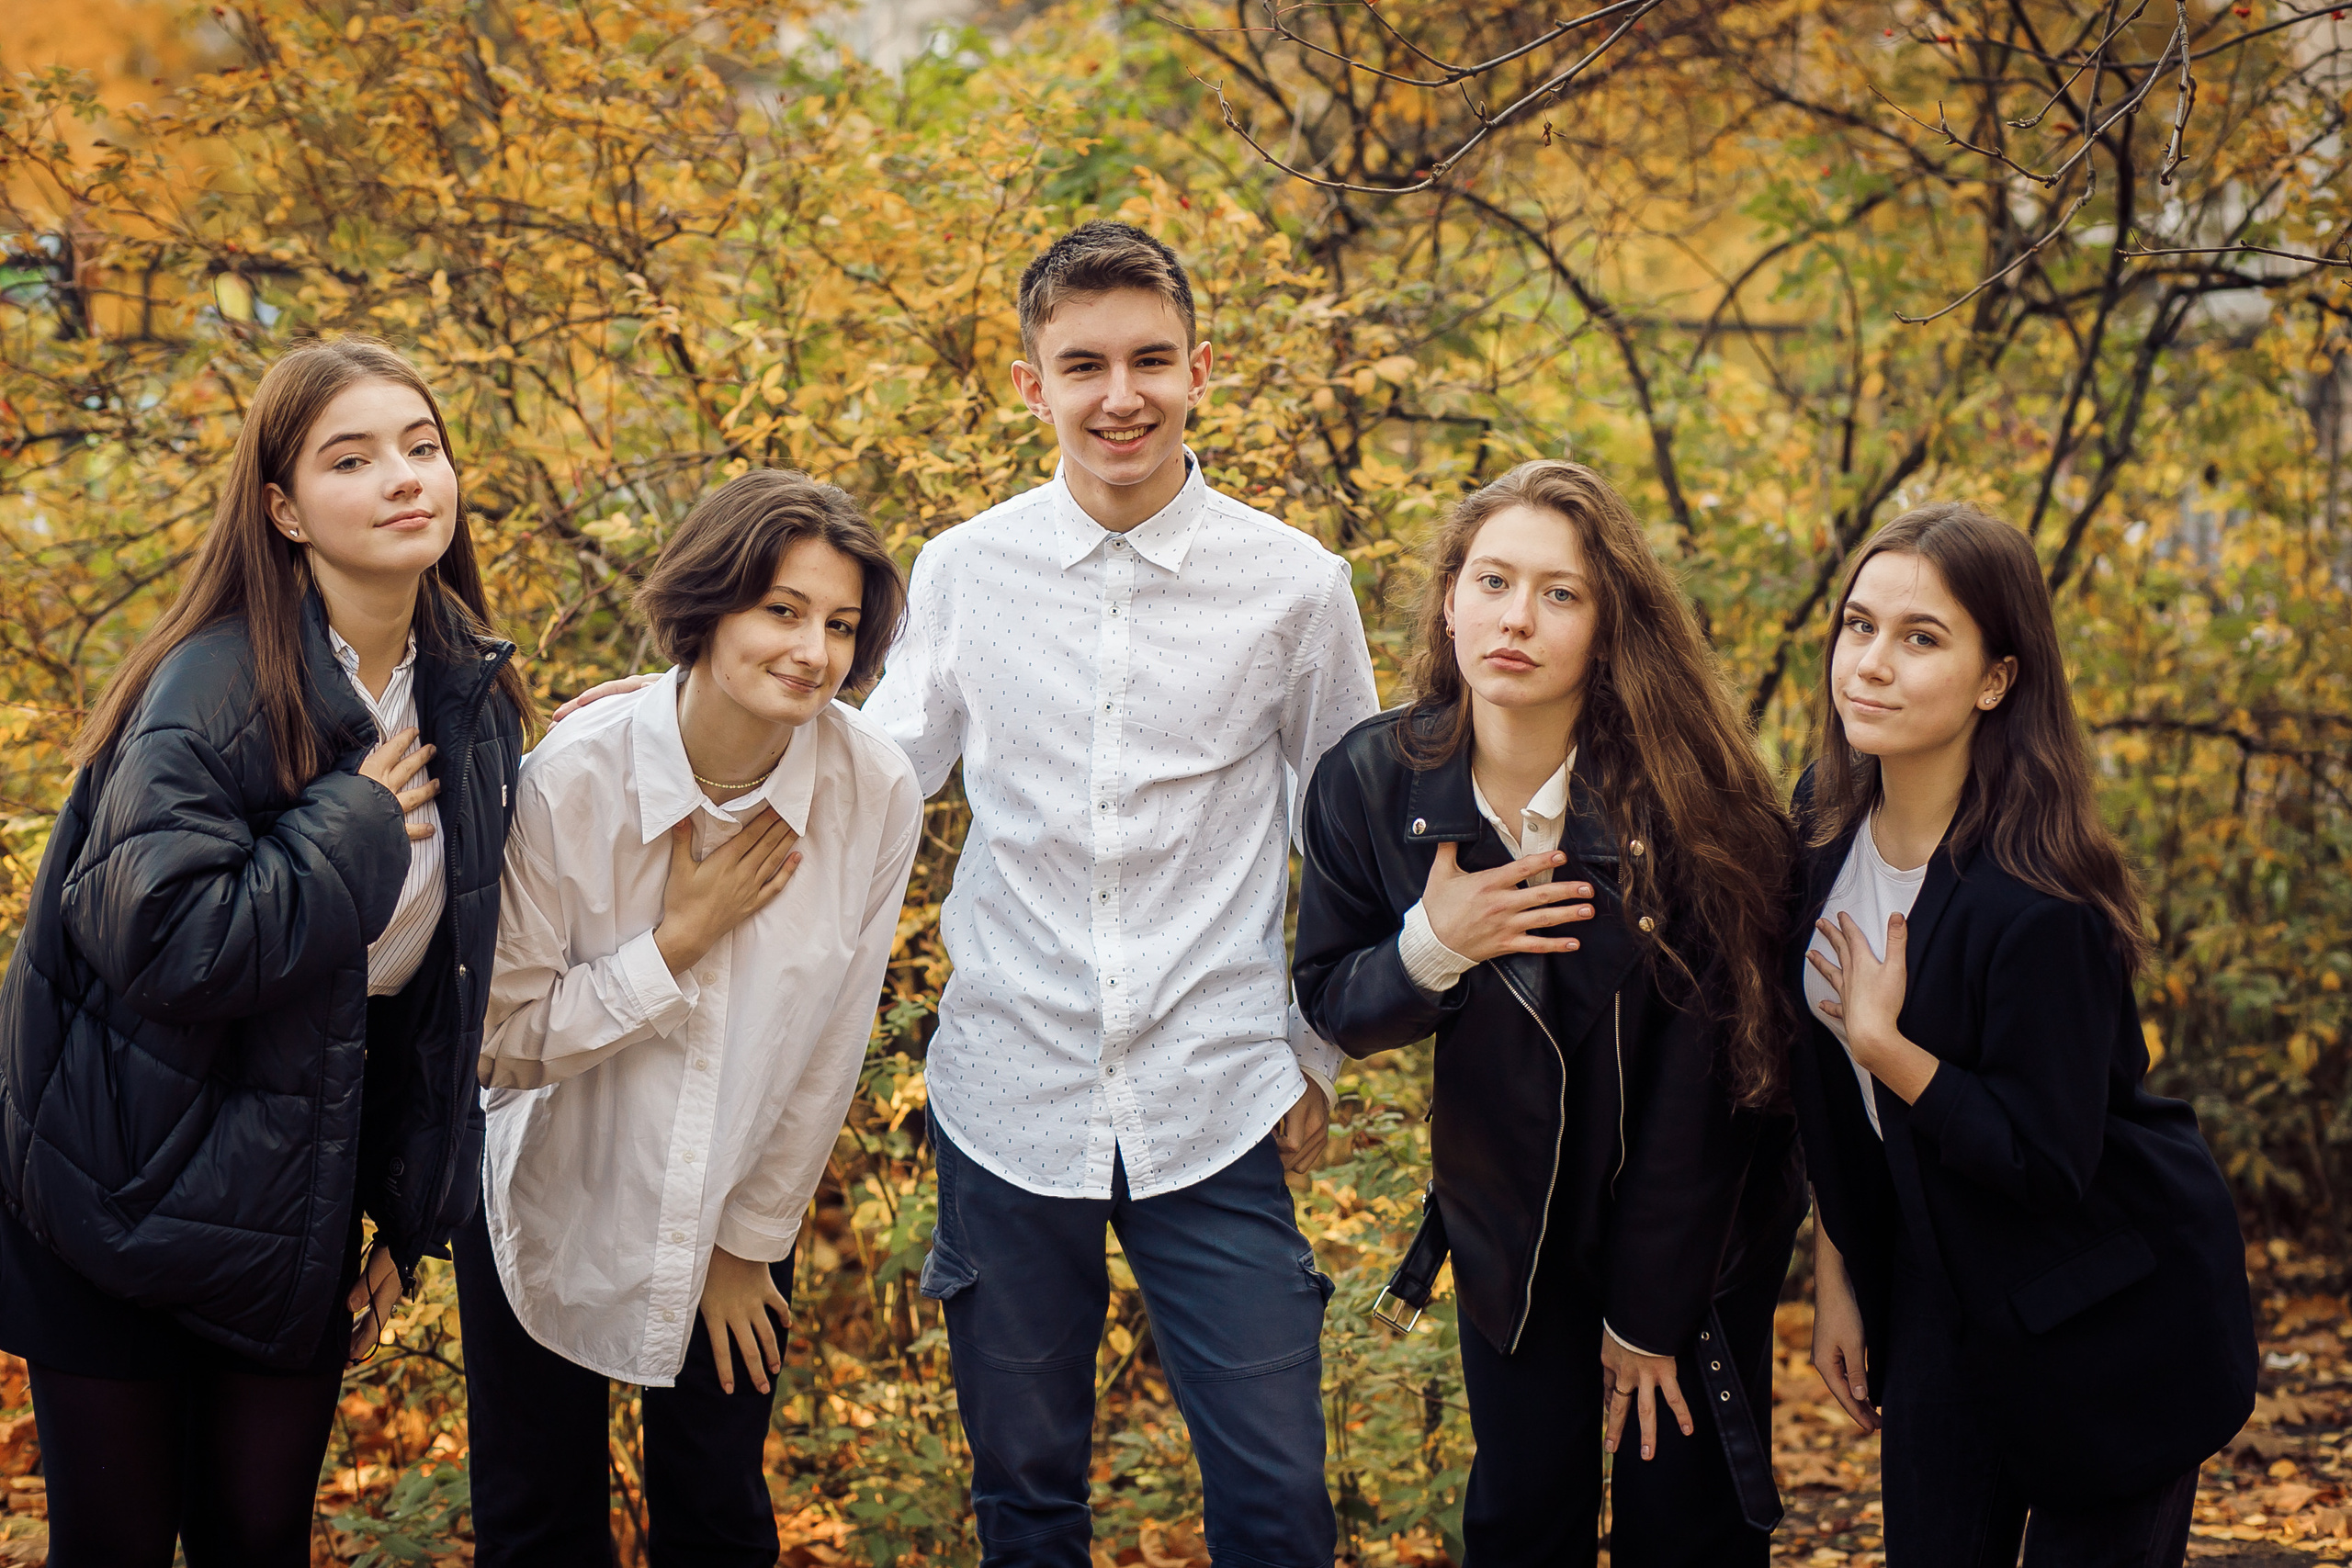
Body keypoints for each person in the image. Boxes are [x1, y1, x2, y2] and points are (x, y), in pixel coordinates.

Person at [868, 220, 1375, 1567]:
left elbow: (1349, 842)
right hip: (1008, 1088)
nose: (1121, 395)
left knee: (1277, 1494)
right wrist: (693, 716)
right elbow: (871, 777)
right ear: (1031, 384)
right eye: (1082, 364)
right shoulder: (966, 571)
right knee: (1028, 1498)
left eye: (1152, 359)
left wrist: (1311, 1055)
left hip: (1216, 1092)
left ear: (1200, 369)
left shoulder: (1297, 588)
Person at [0, 336, 530, 1565]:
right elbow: (169, 942)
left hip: (287, 1204)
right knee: (118, 1543)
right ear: (284, 508)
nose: (405, 477)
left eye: (423, 445)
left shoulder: (466, 695)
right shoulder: (215, 684)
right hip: (112, 1186)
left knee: (256, 1533)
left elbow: (437, 989)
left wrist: (405, 1210)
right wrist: (346, 822)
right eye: (354, 458)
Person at [1293, 459, 1805, 1567]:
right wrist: (1436, 944)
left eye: (1559, 594)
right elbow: (1334, 1000)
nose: (1515, 619)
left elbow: (1716, 1087)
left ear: (1609, 627)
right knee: (1523, 1523)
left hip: (1695, 1232)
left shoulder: (1693, 802)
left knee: (1688, 1530)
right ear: (1448, 599)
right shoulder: (1370, 781)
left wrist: (1649, 1311)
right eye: (1491, 582)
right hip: (1509, 1231)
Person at [456, 469, 922, 1566]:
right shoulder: (571, 781)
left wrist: (747, 1242)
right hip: (547, 1184)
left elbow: (829, 1049)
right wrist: (676, 943)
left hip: (736, 1204)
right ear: (707, 608)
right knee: (534, 1520)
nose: (813, 651)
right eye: (782, 610)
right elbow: (503, 1041)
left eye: (841, 624)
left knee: (717, 1510)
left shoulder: (874, 789)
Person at [1793, 502, 2256, 1566]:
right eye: (1858, 626)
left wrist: (1889, 1048)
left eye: (1920, 639)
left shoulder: (2042, 901)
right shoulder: (1819, 825)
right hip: (1937, 1294)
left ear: (1996, 678)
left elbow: (2047, 1163)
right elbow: (1832, 1104)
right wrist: (1839, 1276)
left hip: (2106, 1313)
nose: (1870, 663)